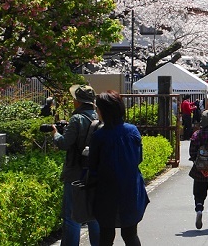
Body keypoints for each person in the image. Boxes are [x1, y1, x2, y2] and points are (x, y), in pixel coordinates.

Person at [88, 91, 149, 246]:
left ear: (103, 111)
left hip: (106, 192)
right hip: (131, 189)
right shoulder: (132, 131)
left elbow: (93, 166)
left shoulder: (99, 136)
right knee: (130, 234)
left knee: (106, 236)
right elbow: (139, 158)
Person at [51, 84, 101, 246]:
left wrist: (56, 134)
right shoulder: (99, 117)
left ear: (78, 102)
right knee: (94, 214)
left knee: (72, 216)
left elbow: (65, 144)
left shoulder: (77, 119)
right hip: (95, 172)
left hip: (75, 172)